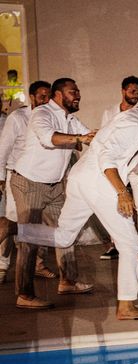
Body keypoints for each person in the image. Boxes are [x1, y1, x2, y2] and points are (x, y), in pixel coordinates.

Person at [15, 81, 138, 321]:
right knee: (130, 244)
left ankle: (16, 230)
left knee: (65, 236)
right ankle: (126, 305)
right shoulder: (132, 123)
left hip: (82, 178)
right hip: (99, 180)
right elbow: (107, 158)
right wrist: (122, 192)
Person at [9, 78, 95, 309]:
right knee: (29, 238)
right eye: (72, 91)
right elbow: (50, 139)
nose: (78, 95)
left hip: (55, 185)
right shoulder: (42, 113)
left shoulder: (71, 119)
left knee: (64, 232)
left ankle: (67, 281)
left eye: (78, 90)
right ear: (58, 94)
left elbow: (92, 137)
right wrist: (80, 139)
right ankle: (24, 295)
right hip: (29, 183)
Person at [0, 81, 54, 284]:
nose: (46, 101)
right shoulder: (18, 118)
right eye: (41, 97)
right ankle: (2, 265)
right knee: (15, 222)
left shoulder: (51, 116)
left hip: (42, 180)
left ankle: (39, 265)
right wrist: (1, 179)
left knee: (40, 224)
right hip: (18, 176)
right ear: (31, 97)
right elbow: (3, 149)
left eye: (49, 96)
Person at [98, 76, 138, 261]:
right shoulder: (110, 112)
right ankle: (116, 245)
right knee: (115, 204)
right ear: (123, 91)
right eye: (133, 91)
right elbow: (105, 139)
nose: (136, 96)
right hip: (116, 167)